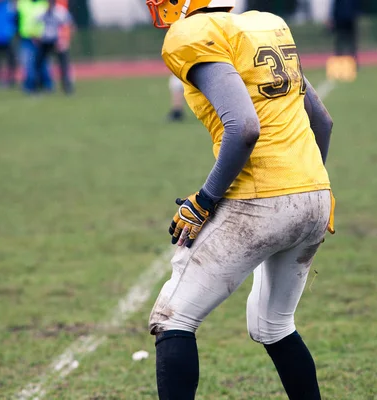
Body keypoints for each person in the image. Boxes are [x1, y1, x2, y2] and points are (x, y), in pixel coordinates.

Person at [144, 0, 335, 399]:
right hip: (316, 193)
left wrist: (206, 199)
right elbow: (323, 121)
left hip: (261, 197)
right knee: (272, 325)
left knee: (173, 318)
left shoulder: (190, 34)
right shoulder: (267, 25)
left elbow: (244, 127)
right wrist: (307, 188)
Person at [35, 0, 74, 94]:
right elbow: (35, 24)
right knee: (38, 64)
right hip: (45, 41)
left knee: (63, 65)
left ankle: (67, 87)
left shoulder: (61, 12)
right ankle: (40, 86)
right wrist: (37, 37)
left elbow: (68, 25)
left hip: (58, 41)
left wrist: (64, 39)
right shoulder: (41, 11)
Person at [17, 0, 50, 93]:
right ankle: (30, 85)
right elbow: (16, 19)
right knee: (28, 63)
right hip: (26, 38)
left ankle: (46, 84)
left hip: (42, 39)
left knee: (43, 64)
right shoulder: (22, 3)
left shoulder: (44, 3)